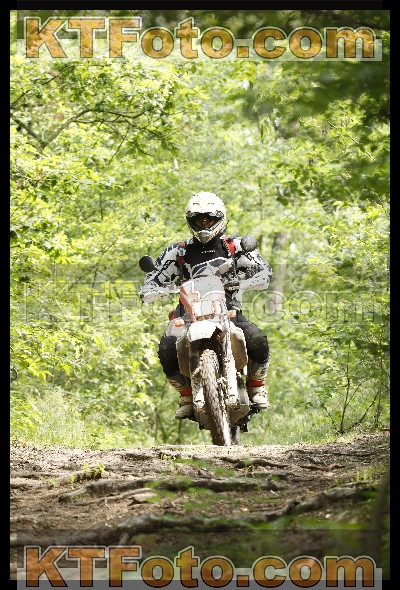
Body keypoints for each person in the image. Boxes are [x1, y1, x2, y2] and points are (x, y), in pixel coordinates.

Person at [140, 192, 273, 419]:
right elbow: (152, 280)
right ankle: (186, 395)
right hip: (187, 313)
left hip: (227, 309)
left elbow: (264, 271)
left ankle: (256, 386)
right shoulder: (178, 251)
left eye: (209, 219)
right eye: (199, 219)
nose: (204, 224)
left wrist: (245, 281)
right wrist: (153, 290)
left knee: (257, 339)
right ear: (190, 221)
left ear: (220, 218)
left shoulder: (235, 247)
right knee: (166, 347)